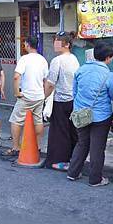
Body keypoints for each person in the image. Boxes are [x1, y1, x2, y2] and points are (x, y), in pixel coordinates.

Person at [67, 41, 113, 186]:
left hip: (80, 114)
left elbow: (75, 92)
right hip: (101, 117)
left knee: (82, 143)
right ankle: (95, 179)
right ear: (109, 57)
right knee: (97, 148)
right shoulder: (109, 76)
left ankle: (73, 172)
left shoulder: (81, 70)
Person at [1, 36, 49, 158]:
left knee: (16, 120)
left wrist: (17, 92)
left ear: (27, 45)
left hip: (26, 96)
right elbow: (45, 80)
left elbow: (16, 76)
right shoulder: (43, 60)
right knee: (38, 120)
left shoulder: (24, 59)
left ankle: (16, 147)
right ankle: (37, 147)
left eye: (25, 44)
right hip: (39, 96)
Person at [44, 32, 80, 170]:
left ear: (66, 44)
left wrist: (44, 97)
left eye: (57, 41)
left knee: (59, 132)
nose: (55, 44)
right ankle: (73, 159)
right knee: (72, 131)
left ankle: (60, 160)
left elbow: (50, 83)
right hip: (73, 100)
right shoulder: (74, 59)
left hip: (60, 100)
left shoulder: (57, 61)